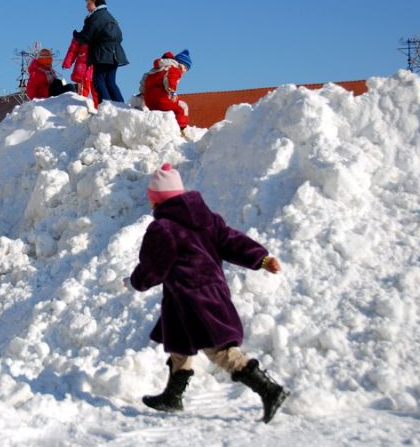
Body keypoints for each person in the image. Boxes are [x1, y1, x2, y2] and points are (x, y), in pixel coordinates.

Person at [124, 163, 290, 423]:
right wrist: (261, 258)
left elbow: (153, 267)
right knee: (179, 345)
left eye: (152, 201)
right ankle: (173, 396)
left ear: (158, 201)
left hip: (195, 299)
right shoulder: (207, 219)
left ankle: (270, 390)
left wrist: (136, 282)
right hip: (197, 296)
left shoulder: (163, 228)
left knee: (219, 351)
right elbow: (233, 241)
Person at [73, 0, 129, 103]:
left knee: (98, 80)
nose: (87, 7)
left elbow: (86, 36)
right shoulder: (109, 16)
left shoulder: (96, 17)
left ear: (96, 3)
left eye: (88, 4)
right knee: (110, 81)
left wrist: (76, 35)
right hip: (116, 53)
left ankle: (107, 106)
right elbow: (119, 36)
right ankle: (120, 106)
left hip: (103, 53)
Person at [139, 50, 192, 136]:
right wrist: (172, 91)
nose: (185, 70)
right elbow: (170, 80)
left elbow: (143, 80)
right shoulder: (174, 69)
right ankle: (180, 129)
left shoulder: (155, 69)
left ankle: (162, 128)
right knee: (182, 107)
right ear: (179, 62)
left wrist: (142, 93)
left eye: (187, 69)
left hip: (149, 100)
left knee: (163, 111)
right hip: (161, 99)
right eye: (185, 67)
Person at [62, 37, 98, 107]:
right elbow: (73, 49)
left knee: (97, 92)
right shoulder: (82, 35)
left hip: (95, 69)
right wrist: (68, 62)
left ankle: (98, 110)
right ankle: (79, 108)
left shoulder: (101, 35)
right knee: (82, 91)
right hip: (83, 69)